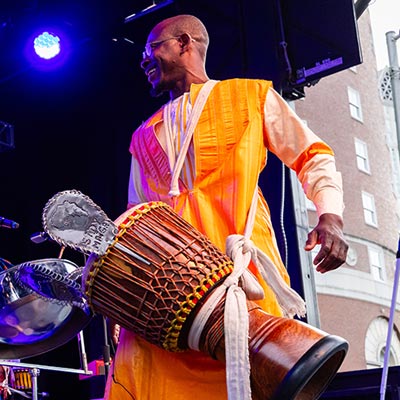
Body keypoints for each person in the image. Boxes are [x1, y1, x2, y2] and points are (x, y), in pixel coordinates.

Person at [104, 14, 348, 400]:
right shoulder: (142, 135)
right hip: (166, 299)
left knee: (254, 379)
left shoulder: (251, 96)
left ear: (185, 43)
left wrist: (330, 216)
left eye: (152, 49)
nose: (143, 61)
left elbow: (313, 155)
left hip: (242, 280)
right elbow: (136, 218)